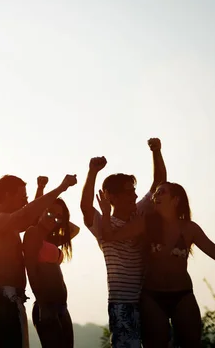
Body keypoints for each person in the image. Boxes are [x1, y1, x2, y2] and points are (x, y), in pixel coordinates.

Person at [98, 182, 215, 347]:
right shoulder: (145, 223)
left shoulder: (190, 228)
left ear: (175, 200)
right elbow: (109, 237)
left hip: (183, 295)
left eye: (161, 193)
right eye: (156, 193)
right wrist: (105, 212)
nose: (155, 196)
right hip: (152, 297)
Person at [80, 138, 166, 348]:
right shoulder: (103, 223)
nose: (135, 194)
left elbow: (159, 183)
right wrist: (92, 172)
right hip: (122, 303)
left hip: (149, 299)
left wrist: (156, 151)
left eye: (134, 190)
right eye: (129, 191)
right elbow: (85, 206)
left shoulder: (140, 210)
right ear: (112, 196)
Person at [0, 173, 78, 348]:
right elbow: (26, 216)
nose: (25, 202)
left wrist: (40, 190)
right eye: (22, 197)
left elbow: (31, 217)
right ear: (7, 196)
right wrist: (61, 188)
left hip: (9, 299)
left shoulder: (7, 226)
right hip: (4, 299)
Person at [23, 176, 80, 348]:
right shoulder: (33, 234)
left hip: (61, 306)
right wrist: (42, 303)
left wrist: (58, 218)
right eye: (49, 213)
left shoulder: (51, 240)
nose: (52, 219)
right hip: (46, 306)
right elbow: (31, 269)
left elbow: (74, 229)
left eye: (58, 218)